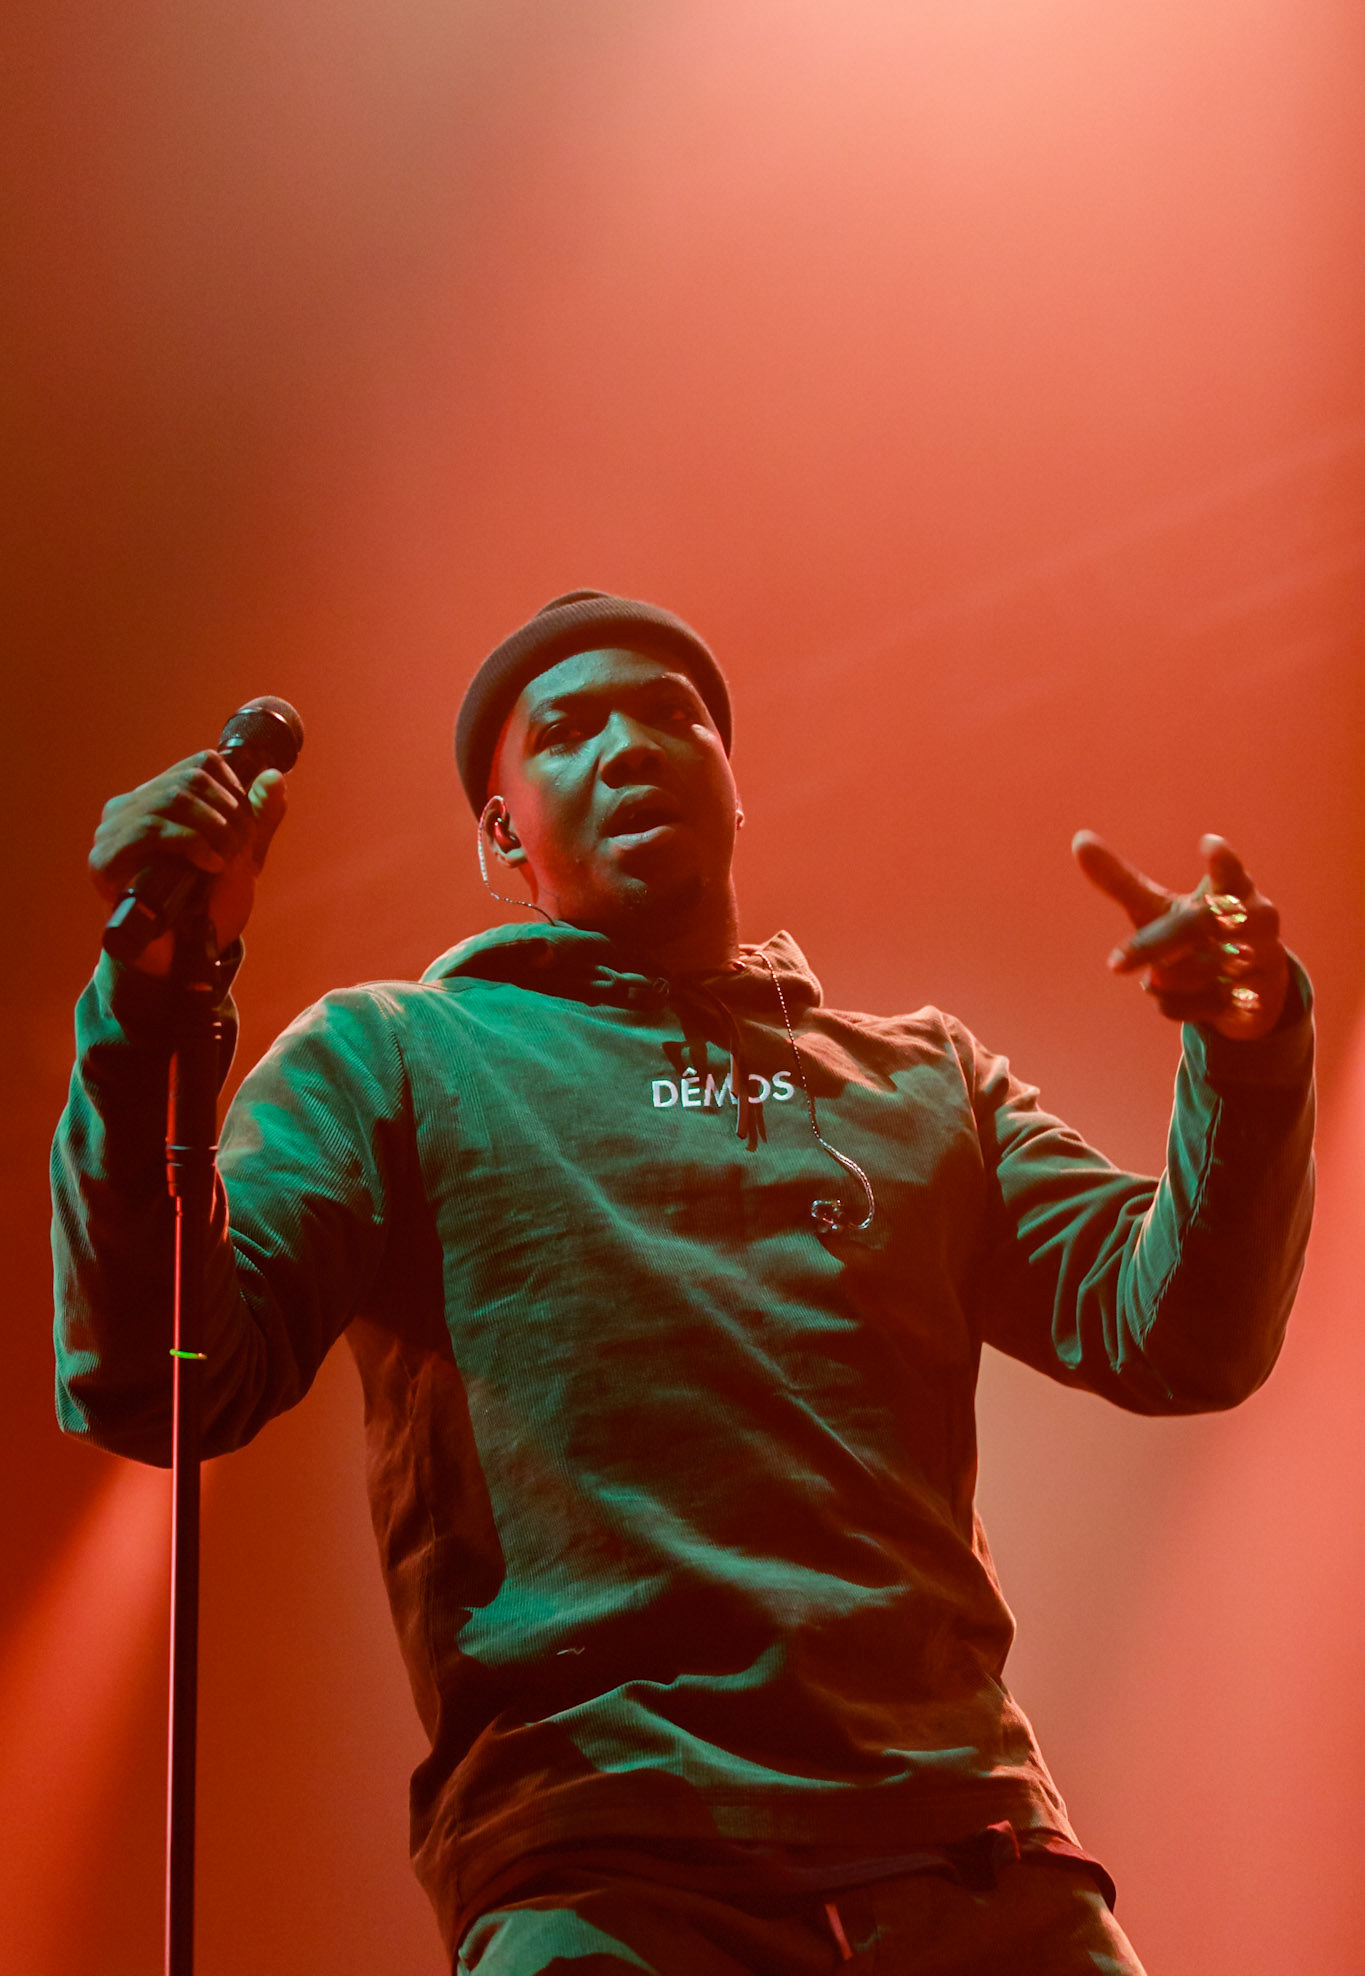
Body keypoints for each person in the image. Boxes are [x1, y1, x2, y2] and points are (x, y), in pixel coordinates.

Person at [53, 591, 1315, 1975]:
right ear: (500, 833)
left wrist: (1246, 1058)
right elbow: (160, 1382)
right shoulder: (391, 1058)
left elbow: (1180, 1339)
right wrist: (150, 1003)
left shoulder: (918, 1080)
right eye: (570, 729)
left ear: (732, 783)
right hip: (609, 1874)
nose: (630, 745)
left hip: (976, 1861)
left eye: (670, 716)